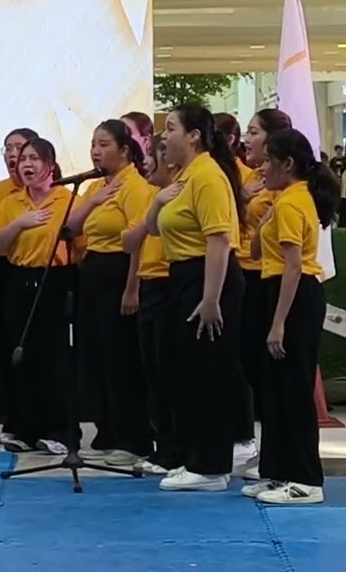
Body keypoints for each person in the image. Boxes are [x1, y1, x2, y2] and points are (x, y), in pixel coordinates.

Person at [145, 104, 246, 492]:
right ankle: (195, 457)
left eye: (170, 128)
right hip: (183, 277)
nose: (163, 137)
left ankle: (211, 467)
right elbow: (153, 229)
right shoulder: (183, 177)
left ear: (194, 136)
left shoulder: (206, 175)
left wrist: (210, 298)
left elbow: (219, 239)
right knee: (186, 371)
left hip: (209, 277)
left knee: (209, 373)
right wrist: (157, 200)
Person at [245, 128, 336, 505]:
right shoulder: (283, 200)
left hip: (294, 296)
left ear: (287, 164)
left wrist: (279, 323)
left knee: (294, 391)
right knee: (277, 389)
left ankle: (305, 479)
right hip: (277, 290)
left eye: (268, 160)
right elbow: (253, 247)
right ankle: (279, 471)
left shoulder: (292, 202)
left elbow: (294, 267)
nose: (262, 168)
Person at [64, 120, 152, 466]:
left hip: (120, 272)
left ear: (125, 150)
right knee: (96, 358)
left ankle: (134, 438)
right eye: (93, 144)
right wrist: (95, 197)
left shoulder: (134, 186)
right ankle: (107, 431)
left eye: (103, 144)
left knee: (121, 360)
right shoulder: (97, 186)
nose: (96, 151)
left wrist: (132, 288)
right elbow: (69, 227)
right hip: (93, 270)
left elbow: (139, 241)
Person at [0, 137, 79, 454]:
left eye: (34, 158)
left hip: (55, 279)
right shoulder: (12, 203)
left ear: (49, 165)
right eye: (23, 158)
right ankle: (25, 429)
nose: (26, 164)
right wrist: (19, 224)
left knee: (53, 358)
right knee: (20, 356)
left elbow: (82, 245)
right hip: (18, 280)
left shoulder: (67, 198)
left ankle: (61, 432)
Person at [234, 110, 293, 464]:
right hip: (248, 273)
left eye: (253, 132)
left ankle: (277, 455)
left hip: (266, 278)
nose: (246, 139)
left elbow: (291, 255)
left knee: (270, 372)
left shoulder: (284, 189)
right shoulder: (255, 179)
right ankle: (267, 453)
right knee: (252, 369)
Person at [123, 135, 183, 475]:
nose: (146, 163)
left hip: (171, 282)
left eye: (152, 156)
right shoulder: (151, 195)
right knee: (154, 372)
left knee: (170, 371)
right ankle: (165, 447)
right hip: (149, 282)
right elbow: (130, 240)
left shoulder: (180, 192)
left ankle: (177, 449)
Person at [0, 127, 39, 423]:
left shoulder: (54, 192)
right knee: (5, 345)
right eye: (7, 148)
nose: (12, 155)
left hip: (37, 270)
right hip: (3, 270)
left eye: (19, 148)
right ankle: (12, 418)